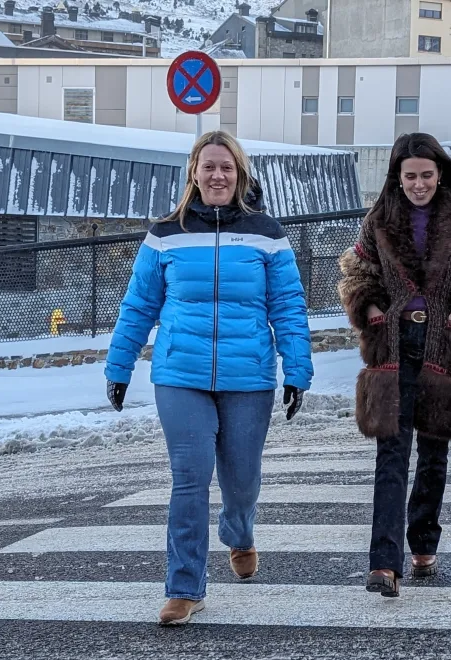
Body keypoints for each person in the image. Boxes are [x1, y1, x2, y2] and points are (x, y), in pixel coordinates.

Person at [104, 130, 313, 625]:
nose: (217, 175)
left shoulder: (267, 233)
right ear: (193, 173)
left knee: (241, 481)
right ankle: (184, 586)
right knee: (189, 479)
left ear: (239, 174)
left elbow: (287, 305)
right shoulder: (165, 234)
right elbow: (139, 304)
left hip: (249, 377)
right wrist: (119, 365)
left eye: (227, 167)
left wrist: (296, 369)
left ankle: (239, 531)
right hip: (180, 373)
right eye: (208, 166)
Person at [338, 132, 451, 597]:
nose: (419, 184)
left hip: (445, 343)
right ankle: (383, 564)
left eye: (427, 175)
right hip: (394, 344)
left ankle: (424, 540)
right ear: (398, 177)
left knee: (433, 451)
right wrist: (369, 308)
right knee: (391, 452)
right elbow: (356, 272)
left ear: (440, 173)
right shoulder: (378, 219)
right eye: (410, 176)